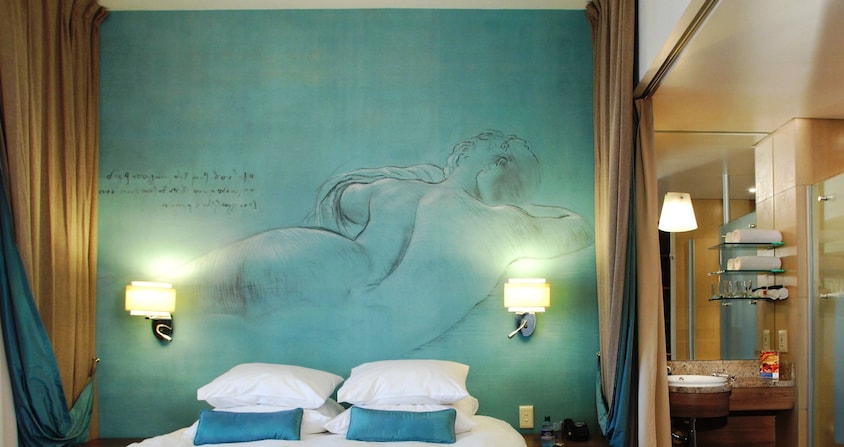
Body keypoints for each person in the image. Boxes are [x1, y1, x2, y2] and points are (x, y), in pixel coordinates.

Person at [170, 130, 592, 354]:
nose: (460, 149)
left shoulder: (395, 190)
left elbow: (338, 198)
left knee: (186, 296)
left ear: (495, 162)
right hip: (357, 318)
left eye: (478, 146)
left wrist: (419, 176)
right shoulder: (506, 226)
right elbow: (578, 226)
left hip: (293, 261)